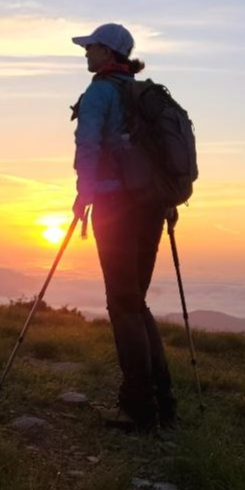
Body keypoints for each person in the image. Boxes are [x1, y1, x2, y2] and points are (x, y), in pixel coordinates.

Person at [70, 22, 177, 433]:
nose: (85, 53)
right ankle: (163, 402)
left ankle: (138, 409)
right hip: (151, 206)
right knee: (137, 302)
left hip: (116, 206)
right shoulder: (141, 93)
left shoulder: (100, 92)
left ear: (108, 53)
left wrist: (85, 194)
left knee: (122, 303)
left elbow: (89, 146)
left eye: (91, 47)